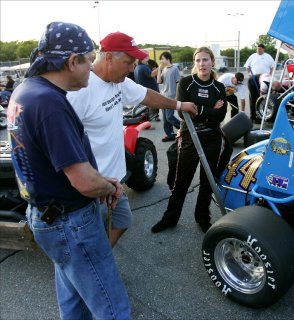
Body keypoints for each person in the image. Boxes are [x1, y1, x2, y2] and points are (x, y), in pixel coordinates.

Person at [7, 21, 131, 319]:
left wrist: (101, 181)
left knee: (74, 303)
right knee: (112, 308)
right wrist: (111, 187)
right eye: (88, 60)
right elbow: (85, 183)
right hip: (70, 223)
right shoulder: (50, 103)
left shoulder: (27, 91)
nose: (92, 67)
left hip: (46, 216)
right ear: (71, 61)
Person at [67, 31, 197, 247]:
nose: (132, 68)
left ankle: (101, 257)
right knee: (84, 243)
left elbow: (146, 94)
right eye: (128, 62)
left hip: (115, 183)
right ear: (108, 57)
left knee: (122, 220)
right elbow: (64, 145)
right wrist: (87, 183)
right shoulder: (79, 91)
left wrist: (178, 105)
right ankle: (95, 265)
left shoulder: (119, 82)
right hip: (93, 188)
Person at [151, 46, 227, 234]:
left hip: (213, 137)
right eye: (198, 60)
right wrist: (209, 110)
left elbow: (221, 115)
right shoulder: (186, 83)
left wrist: (198, 110)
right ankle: (170, 218)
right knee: (181, 181)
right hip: (190, 137)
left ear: (212, 62)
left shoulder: (218, 87)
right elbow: (183, 112)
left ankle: (202, 218)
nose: (202, 64)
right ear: (195, 63)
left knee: (207, 182)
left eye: (205, 60)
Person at [244, 43, 275, 123]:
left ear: (263, 49)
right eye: (257, 48)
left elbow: (273, 66)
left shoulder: (268, 56)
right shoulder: (252, 56)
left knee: (265, 98)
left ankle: (264, 115)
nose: (258, 50)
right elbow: (247, 66)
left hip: (264, 79)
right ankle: (253, 117)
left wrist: (270, 74)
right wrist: (249, 74)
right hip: (253, 79)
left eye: (260, 48)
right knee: (253, 98)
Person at [157, 51, 181, 142]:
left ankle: (183, 129)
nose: (161, 61)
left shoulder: (175, 69)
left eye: (162, 59)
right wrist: (159, 70)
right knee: (165, 119)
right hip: (164, 96)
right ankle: (169, 134)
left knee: (169, 117)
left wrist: (177, 96)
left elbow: (178, 82)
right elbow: (159, 81)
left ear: (168, 59)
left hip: (171, 96)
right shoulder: (164, 69)